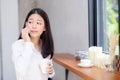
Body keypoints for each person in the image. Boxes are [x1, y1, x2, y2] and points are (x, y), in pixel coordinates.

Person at [12, 8, 55, 80]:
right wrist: (28, 43)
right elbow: (21, 71)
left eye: (38, 23)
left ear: (44, 27)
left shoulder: (45, 46)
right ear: (26, 24)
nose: (34, 26)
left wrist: (51, 71)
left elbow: (47, 75)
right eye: (30, 22)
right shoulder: (17, 45)